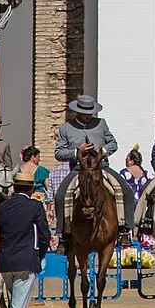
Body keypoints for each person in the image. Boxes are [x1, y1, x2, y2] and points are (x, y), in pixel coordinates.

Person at [0, 170, 52, 308]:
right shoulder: (34, 206)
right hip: (26, 261)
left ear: (14, 186)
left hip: (5, 261)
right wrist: (41, 255)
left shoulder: (3, 206)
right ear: (30, 189)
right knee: (18, 307)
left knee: (17, 305)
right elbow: (44, 235)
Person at [51, 95, 129, 235]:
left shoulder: (101, 123)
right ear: (77, 112)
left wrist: (102, 151)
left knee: (126, 191)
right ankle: (63, 234)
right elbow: (58, 153)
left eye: (90, 113)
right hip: (78, 169)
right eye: (85, 114)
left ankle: (125, 229)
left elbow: (113, 144)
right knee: (60, 196)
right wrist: (77, 151)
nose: (88, 116)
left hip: (101, 167)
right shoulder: (66, 128)